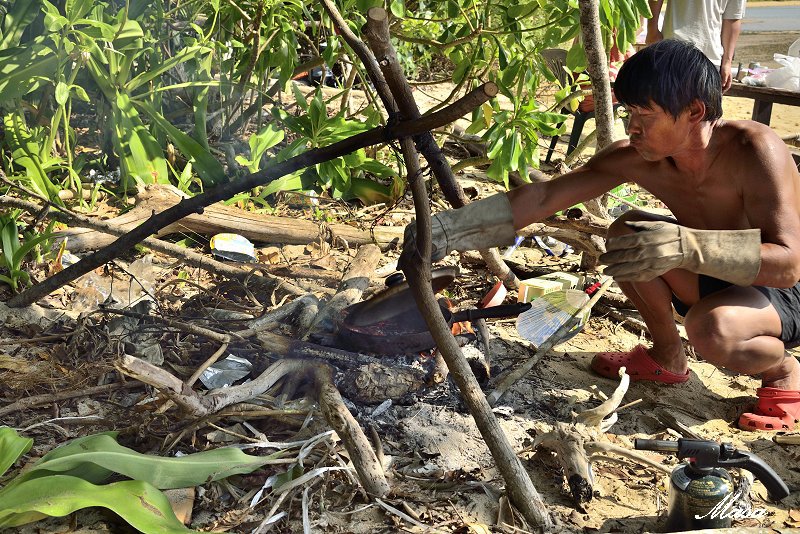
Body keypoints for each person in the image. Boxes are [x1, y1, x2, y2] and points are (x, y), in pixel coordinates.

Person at [400, 39, 800, 432]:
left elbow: (788, 265)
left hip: (776, 291)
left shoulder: (754, 150)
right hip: (711, 276)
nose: (633, 128)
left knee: (712, 330)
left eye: (646, 115)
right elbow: (544, 196)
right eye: (629, 113)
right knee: (628, 231)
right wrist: (448, 230)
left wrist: (687, 246)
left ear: (694, 111)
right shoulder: (637, 158)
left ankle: (783, 371)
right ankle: (667, 357)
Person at [645, 0, 746, 92]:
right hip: (673, 51)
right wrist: (652, 30)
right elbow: (733, 18)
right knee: (666, 107)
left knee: (702, 109)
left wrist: (727, 63)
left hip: (710, 57)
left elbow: (733, 17)